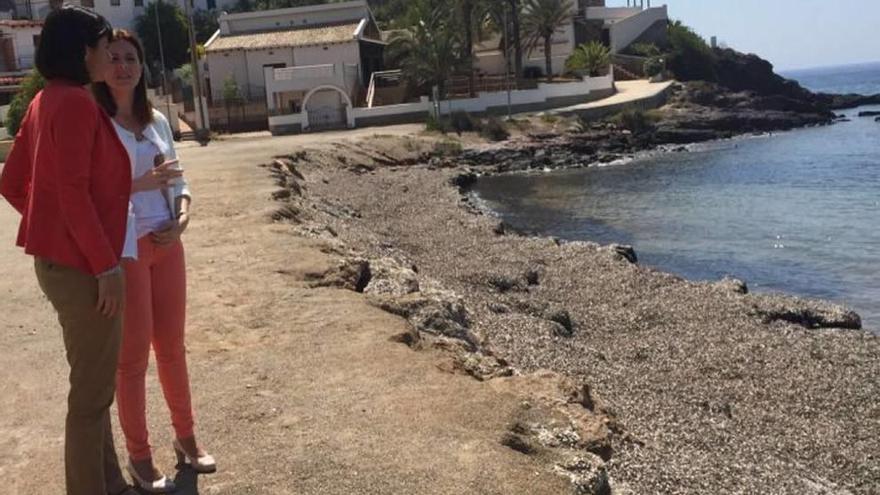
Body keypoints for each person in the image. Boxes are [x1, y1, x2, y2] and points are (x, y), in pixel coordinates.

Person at [0, 6, 138, 495]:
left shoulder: (44, 101)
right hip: (84, 268)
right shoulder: (75, 104)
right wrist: (105, 265)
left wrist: (51, 228)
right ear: (84, 52)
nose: (108, 56)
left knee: (92, 385)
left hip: (61, 264)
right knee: (90, 396)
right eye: (103, 47)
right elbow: (74, 193)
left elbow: (13, 182)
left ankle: (110, 483)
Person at [92, 29, 215, 493]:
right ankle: (140, 457)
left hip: (168, 244)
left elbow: (178, 178)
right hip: (127, 249)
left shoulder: (158, 120)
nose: (123, 66)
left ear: (142, 67)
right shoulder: (98, 124)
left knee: (173, 348)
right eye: (114, 58)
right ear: (101, 67)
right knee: (132, 359)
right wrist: (142, 183)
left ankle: (186, 438)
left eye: (131, 58)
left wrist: (182, 216)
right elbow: (94, 194)